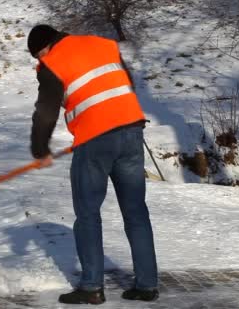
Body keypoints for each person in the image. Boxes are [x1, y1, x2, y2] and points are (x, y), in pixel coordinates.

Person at [27, 24, 159, 305]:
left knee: (87, 214)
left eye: (38, 54)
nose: (39, 60)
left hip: (95, 140)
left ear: (47, 46)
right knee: (136, 211)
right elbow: (125, 86)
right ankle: (147, 285)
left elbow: (46, 110)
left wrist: (40, 148)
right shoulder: (104, 44)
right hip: (132, 131)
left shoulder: (52, 62)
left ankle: (91, 287)